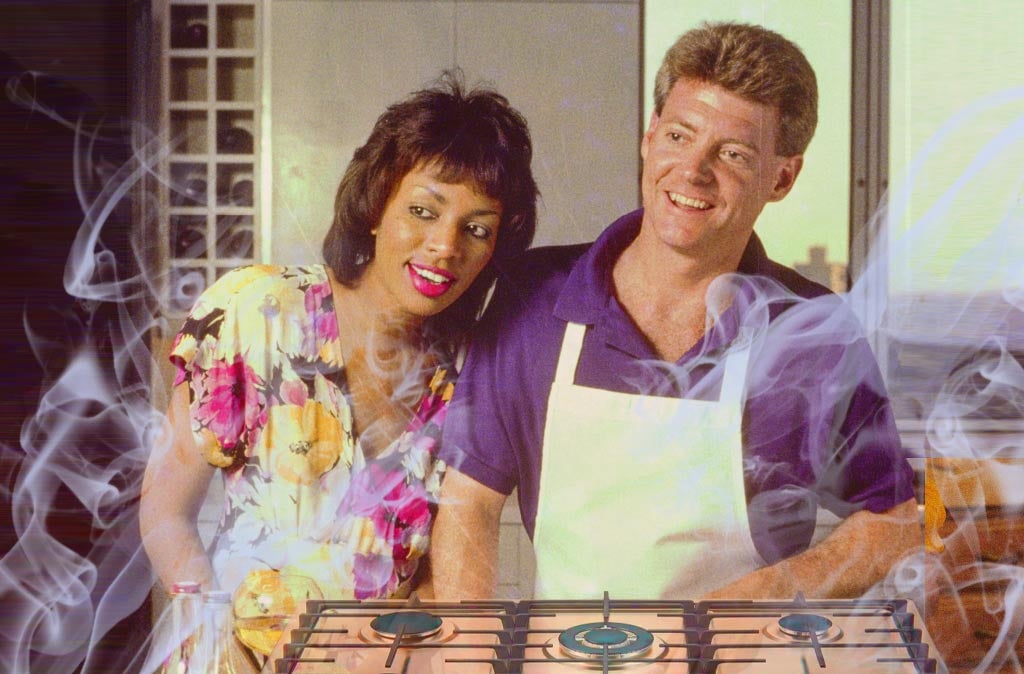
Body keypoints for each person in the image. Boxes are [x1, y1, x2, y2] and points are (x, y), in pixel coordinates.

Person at [430, 22, 918, 601]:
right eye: (680, 136)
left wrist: (746, 603)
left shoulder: (814, 333)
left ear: (782, 177)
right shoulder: (532, 297)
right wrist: (476, 656)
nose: (693, 170)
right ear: (649, 136)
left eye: (733, 154)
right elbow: (469, 504)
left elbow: (895, 523)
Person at [140, 73, 537, 611]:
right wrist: (209, 627)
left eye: (477, 229)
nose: (444, 246)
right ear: (376, 207)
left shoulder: (474, 371)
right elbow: (166, 512)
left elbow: (436, 577)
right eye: (423, 211)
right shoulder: (258, 312)